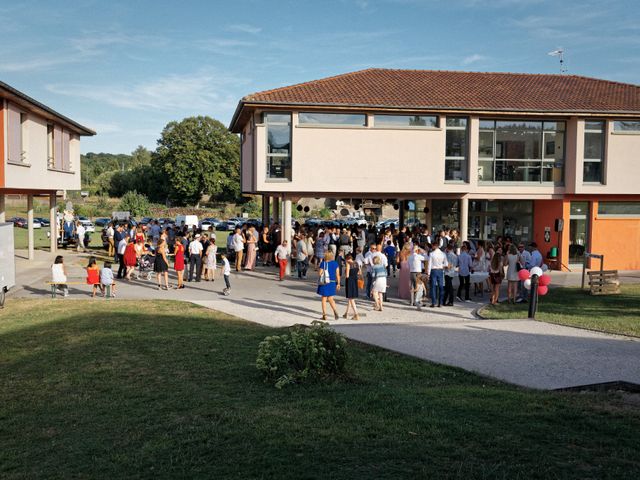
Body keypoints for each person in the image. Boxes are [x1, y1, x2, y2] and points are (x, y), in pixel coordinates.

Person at [317, 251, 340, 320]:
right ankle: (335, 311)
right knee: (330, 298)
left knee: (324, 299)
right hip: (332, 282)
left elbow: (320, 274)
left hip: (325, 282)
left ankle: (324, 315)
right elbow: (338, 275)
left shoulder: (323, 263)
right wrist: (338, 283)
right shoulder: (335, 263)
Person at [428, 242, 448, 307]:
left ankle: (433, 302)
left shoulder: (431, 254)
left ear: (434, 246)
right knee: (441, 286)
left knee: (433, 287)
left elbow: (429, 264)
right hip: (440, 270)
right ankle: (440, 303)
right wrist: (441, 265)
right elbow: (446, 264)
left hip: (433, 270)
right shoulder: (443, 254)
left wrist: (428, 273)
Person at [342, 253, 361, 320]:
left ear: (347, 259)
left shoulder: (348, 264)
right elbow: (359, 273)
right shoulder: (356, 263)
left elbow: (347, 275)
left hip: (349, 281)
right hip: (355, 280)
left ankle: (356, 314)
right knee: (350, 298)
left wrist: (345, 271)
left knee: (351, 298)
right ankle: (346, 313)